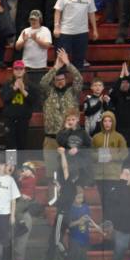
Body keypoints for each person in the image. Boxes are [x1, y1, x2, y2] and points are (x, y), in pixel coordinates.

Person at [39, 49, 82, 181]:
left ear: (65, 79)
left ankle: (71, 198)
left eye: (62, 79)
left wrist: (68, 64)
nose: (60, 82)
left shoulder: (72, 92)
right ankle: (54, 199)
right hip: (51, 139)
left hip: (70, 138)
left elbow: (79, 78)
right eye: (57, 80)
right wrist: (56, 67)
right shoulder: (48, 92)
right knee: (51, 174)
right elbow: (42, 83)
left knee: (71, 172)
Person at [53, 0, 98, 68]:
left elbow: (91, 13)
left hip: (82, 33)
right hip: (66, 32)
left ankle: (77, 83)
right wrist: (56, 26)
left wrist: (95, 30)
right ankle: (60, 82)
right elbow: (57, 10)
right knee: (61, 62)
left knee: (79, 61)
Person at [1, 60, 36, 150]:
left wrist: (23, 91)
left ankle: (21, 163)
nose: (19, 71)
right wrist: (14, 88)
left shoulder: (30, 85)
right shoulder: (7, 84)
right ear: (13, 71)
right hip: (9, 120)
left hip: (23, 120)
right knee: (10, 145)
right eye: (16, 69)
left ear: (24, 70)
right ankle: (11, 164)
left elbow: (34, 100)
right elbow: (4, 98)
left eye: (21, 68)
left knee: (22, 145)